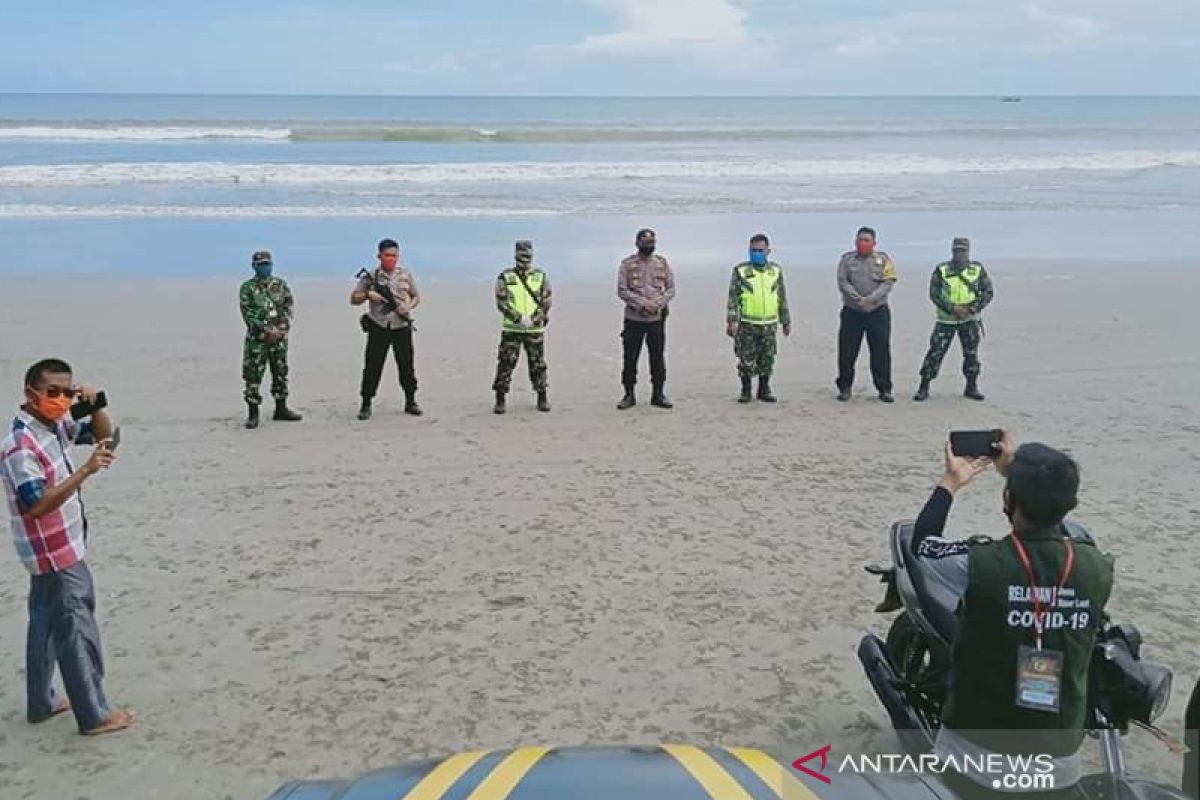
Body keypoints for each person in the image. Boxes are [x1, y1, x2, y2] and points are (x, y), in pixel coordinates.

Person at [911, 432, 1113, 797]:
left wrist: (951, 481)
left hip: (973, 762)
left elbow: (923, 544)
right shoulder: (1096, 567)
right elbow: (1066, 533)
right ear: (1069, 504)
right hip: (1058, 768)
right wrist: (1019, 478)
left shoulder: (978, 563)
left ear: (1008, 500)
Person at [1, 359, 134, 735]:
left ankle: (41, 702)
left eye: (67, 392)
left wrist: (95, 406)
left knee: (44, 623)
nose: (61, 400)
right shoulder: (20, 447)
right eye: (52, 392)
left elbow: (101, 436)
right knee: (76, 626)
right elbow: (38, 505)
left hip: (56, 547)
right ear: (31, 394)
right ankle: (93, 714)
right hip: (53, 551)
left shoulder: (54, 426)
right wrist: (85, 471)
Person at [914, 237, 994, 402]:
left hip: (969, 319)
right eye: (957, 250)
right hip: (946, 319)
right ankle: (924, 386)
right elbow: (934, 293)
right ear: (952, 251)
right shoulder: (942, 269)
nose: (959, 254)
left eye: (963, 251)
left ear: (968, 251)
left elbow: (988, 292)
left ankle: (971, 386)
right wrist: (952, 308)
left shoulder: (977, 270)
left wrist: (971, 308)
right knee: (935, 353)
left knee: (971, 354)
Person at [351, 238, 423, 420]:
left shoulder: (405, 274)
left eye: (394, 255)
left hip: (401, 325)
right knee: (373, 366)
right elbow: (354, 298)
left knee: (406, 366)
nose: (391, 259)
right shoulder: (371, 276)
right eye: (387, 255)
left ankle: (410, 400)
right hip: (379, 325)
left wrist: (408, 307)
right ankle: (366, 403)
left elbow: (416, 296)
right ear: (379, 256)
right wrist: (368, 295)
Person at [239, 250, 302, 429]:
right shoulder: (247, 288)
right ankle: (253, 413)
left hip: (279, 337)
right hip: (257, 339)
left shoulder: (280, 285)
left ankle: (281, 409)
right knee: (253, 374)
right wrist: (266, 330)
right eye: (261, 265)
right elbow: (248, 313)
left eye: (267, 264)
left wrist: (281, 329)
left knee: (280, 371)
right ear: (254, 266)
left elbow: (288, 307)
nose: (265, 268)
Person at [726, 233, 791, 403]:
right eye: (753, 250)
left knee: (767, 358)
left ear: (768, 251)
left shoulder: (775, 271)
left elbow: (781, 297)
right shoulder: (741, 271)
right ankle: (746, 390)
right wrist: (731, 320)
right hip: (747, 323)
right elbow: (733, 297)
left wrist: (786, 321)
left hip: (769, 323)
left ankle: (764, 389)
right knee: (746, 359)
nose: (756, 253)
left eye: (760, 250)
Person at [836, 226, 897, 402]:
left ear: (874, 243)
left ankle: (884, 389)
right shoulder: (847, 260)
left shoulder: (883, 260)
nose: (862, 243)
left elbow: (888, 282)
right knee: (847, 352)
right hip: (852, 312)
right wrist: (858, 299)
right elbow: (842, 282)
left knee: (881, 352)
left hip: (877, 312)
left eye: (866, 240)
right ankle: (845, 387)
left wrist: (870, 299)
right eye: (859, 240)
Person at [616, 228, 675, 410]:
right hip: (634, 319)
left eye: (652, 243)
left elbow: (671, 289)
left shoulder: (662, 263)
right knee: (630, 358)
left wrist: (656, 304)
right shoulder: (627, 264)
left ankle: (658, 394)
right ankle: (629, 394)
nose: (649, 246)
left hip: (656, 320)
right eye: (645, 243)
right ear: (637, 243)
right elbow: (622, 290)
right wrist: (642, 304)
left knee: (657, 358)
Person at [493, 240, 552, 414]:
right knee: (506, 363)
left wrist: (534, 319)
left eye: (528, 255)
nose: (525, 259)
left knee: (538, 364)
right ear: (515, 255)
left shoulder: (540, 276)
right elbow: (501, 301)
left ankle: (542, 396)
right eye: (522, 255)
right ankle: (500, 398)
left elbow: (546, 300)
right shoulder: (506, 276)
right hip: (512, 328)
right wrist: (518, 318)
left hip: (534, 329)